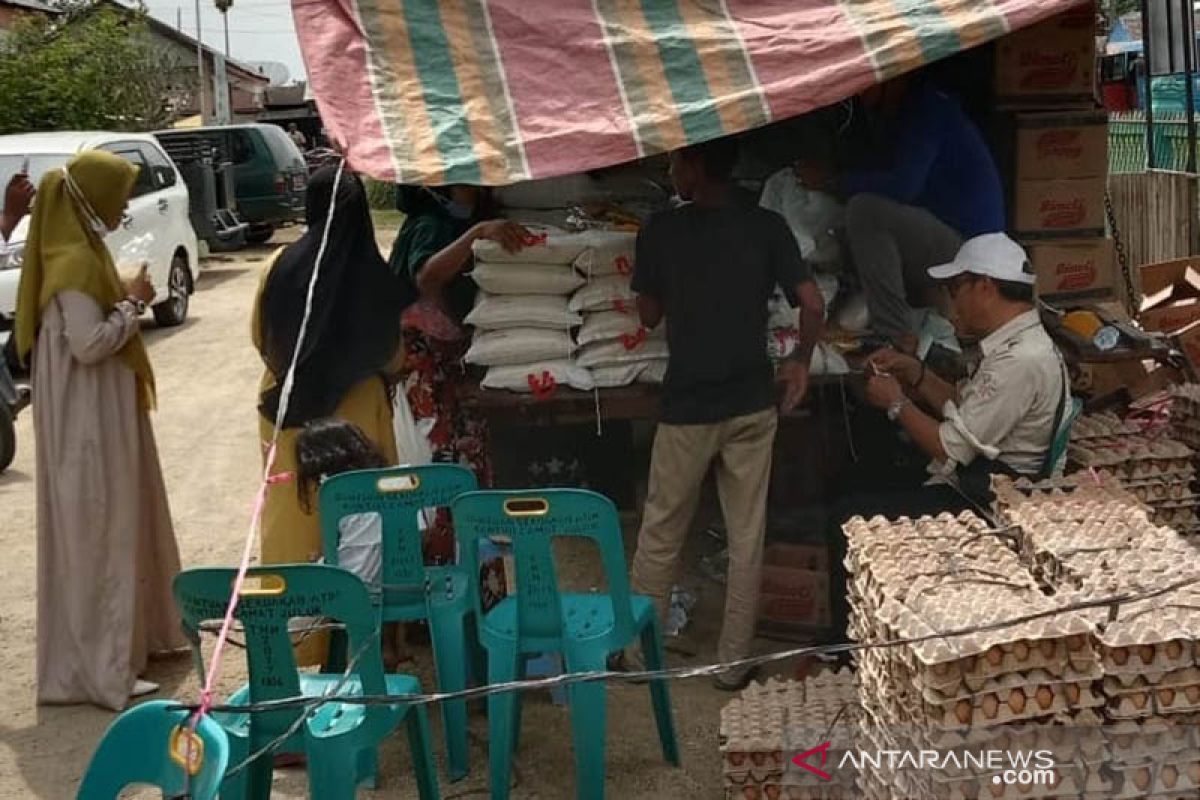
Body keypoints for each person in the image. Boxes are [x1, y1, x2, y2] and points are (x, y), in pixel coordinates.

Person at [626, 138, 825, 690]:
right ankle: (732, 663)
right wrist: (801, 362)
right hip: (751, 402)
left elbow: (647, 315)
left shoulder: (661, 230)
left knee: (663, 528)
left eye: (674, 162)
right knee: (746, 532)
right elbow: (812, 303)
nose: (670, 171)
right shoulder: (767, 227)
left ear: (692, 166)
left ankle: (642, 658)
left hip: (689, 403)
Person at [825, 234, 1072, 638]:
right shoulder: (1014, 345)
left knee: (848, 515)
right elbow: (967, 409)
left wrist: (896, 403)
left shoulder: (1022, 359)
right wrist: (917, 374)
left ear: (986, 287)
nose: (952, 302)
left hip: (986, 498)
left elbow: (948, 445)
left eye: (956, 289)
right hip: (976, 478)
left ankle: (845, 649)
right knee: (852, 479)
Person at [14, 150, 185, 710]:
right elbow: (88, 346)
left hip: (94, 411)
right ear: (91, 199)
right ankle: (102, 664)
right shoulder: (71, 264)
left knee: (115, 520)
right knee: (100, 527)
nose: (121, 208)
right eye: (116, 195)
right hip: (88, 421)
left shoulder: (77, 254)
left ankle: (134, 641)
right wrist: (132, 306)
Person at [253, 165, 411, 666]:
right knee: (364, 526)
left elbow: (261, 338)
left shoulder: (279, 264)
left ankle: (292, 647)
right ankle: (366, 644)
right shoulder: (375, 274)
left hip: (287, 413)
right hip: (360, 414)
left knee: (292, 523)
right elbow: (394, 358)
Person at [388, 185, 528, 564]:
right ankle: (445, 568)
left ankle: (470, 558)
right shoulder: (431, 224)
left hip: (447, 366)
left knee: (465, 462)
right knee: (438, 465)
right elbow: (427, 276)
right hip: (426, 369)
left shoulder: (448, 222)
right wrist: (478, 233)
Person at [833, 76, 1005, 349]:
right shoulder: (898, 115)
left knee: (865, 210)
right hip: (947, 239)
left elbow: (904, 186)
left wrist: (834, 181)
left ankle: (895, 336)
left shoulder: (929, 109)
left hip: (971, 250)